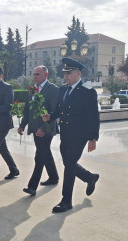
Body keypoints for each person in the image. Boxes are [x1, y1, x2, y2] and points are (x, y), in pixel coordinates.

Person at [42, 57, 100, 213]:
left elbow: (93, 116)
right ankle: (89, 177)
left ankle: (66, 201)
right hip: (65, 134)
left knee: (69, 166)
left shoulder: (88, 91)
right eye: (65, 73)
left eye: (69, 72)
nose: (65, 76)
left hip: (79, 136)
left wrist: (93, 138)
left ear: (78, 73)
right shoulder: (63, 89)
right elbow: (59, 110)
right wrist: (50, 117)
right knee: (69, 163)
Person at [18, 65, 59, 196]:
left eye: (38, 74)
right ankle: (54, 177)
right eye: (34, 74)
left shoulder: (53, 89)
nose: (35, 76)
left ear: (46, 75)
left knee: (39, 156)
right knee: (45, 153)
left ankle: (32, 186)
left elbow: (54, 112)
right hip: (35, 129)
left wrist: (43, 128)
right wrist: (22, 125)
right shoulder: (32, 90)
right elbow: (27, 110)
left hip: (46, 129)